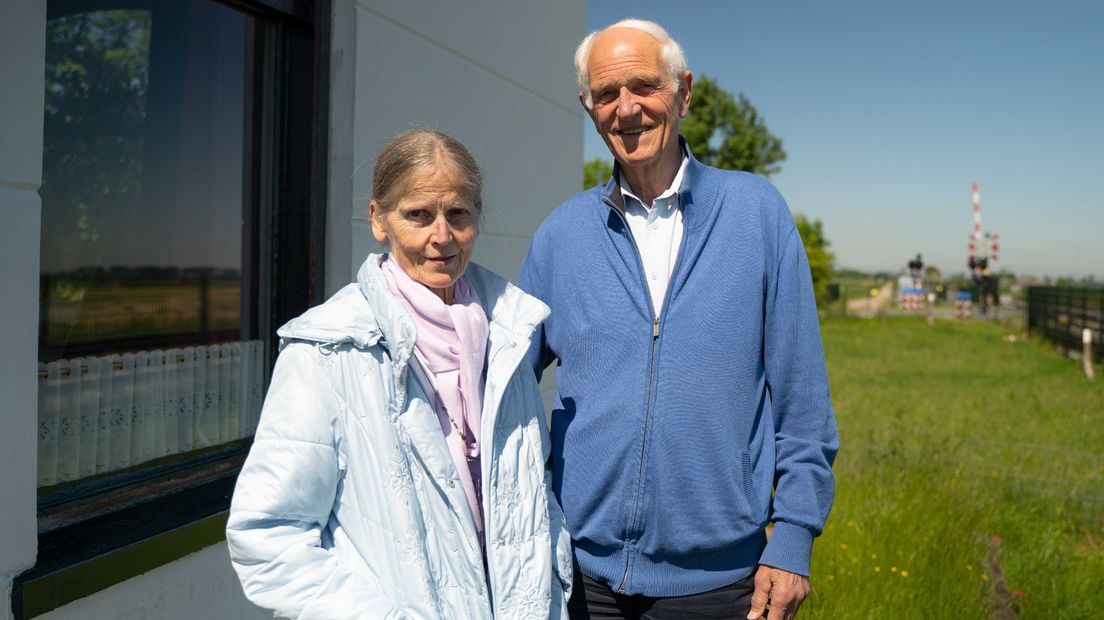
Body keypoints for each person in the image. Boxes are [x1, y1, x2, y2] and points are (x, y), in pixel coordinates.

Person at [519, 19, 838, 620]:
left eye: (644, 86)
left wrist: (793, 536)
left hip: (720, 585)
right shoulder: (562, 234)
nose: (627, 109)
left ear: (684, 93)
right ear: (589, 109)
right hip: (579, 578)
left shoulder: (756, 214)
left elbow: (804, 399)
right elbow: (498, 379)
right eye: (607, 94)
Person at [227, 130, 572, 619]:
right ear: (378, 219)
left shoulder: (509, 334)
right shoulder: (329, 350)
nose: (442, 236)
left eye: (458, 214)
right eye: (418, 215)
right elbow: (268, 536)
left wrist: (552, 580)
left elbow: (535, 478)